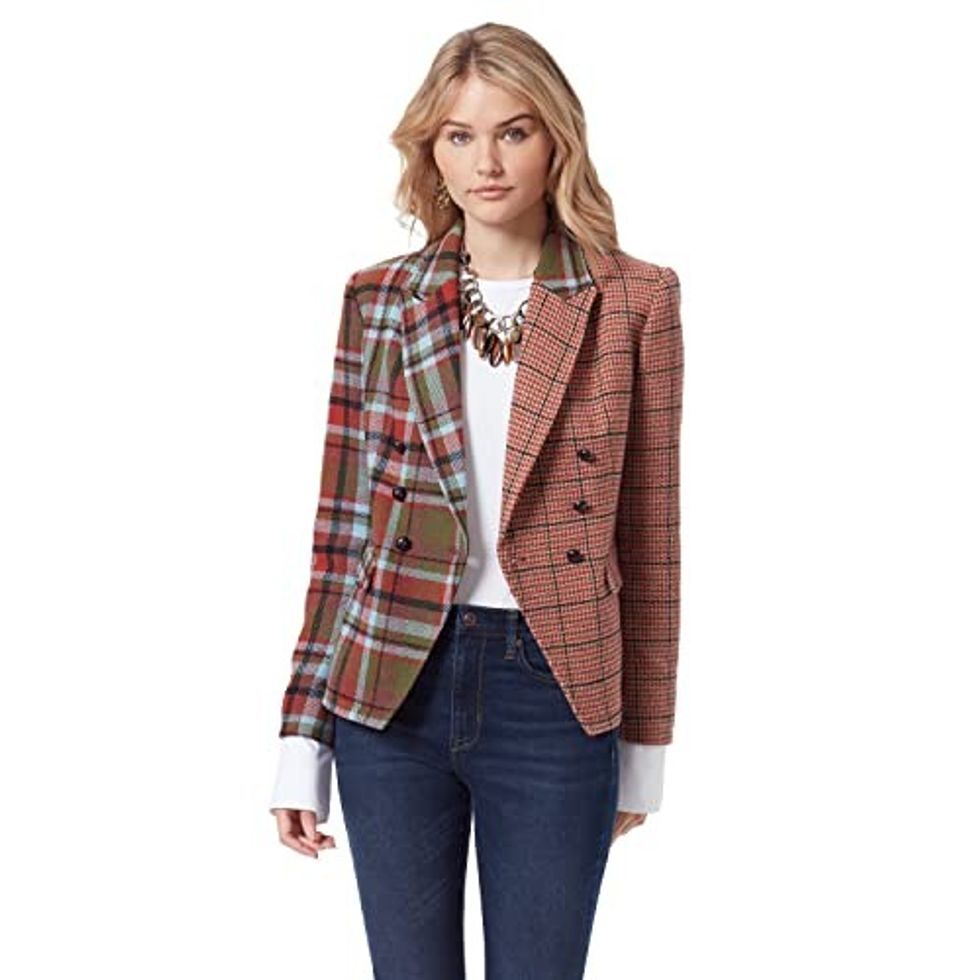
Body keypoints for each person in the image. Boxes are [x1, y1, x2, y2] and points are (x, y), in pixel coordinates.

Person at [269, 22, 685, 979]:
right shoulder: (379, 299)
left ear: (557, 141)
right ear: (432, 149)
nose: (486, 162)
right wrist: (301, 736)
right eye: (460, 135)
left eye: (514, 131)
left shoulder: (635, 300)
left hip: (557, 687)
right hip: (391, 684)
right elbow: (343, 532)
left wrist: (645, 744)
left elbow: (651, 535)